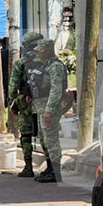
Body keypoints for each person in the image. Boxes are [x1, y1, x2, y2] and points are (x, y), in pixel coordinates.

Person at [29, 39, 68, 183]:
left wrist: (49, 110)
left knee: (51, 140)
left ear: (47, 50)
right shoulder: (45, 65)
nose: (38, 52)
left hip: (49, 108)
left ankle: (55, 171)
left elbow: (56, 90)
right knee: (44, 139)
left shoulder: (55, 66)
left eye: (40, 49)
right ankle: (50, 167)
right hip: (41, 107)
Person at [8, 32, 44, 177]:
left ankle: (28, 167)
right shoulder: (48, 61)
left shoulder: (21, 63)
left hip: (25, 105)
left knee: (26, 135)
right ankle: (51, 168)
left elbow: (13, 86)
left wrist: (13, 101)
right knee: (46, 136)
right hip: (44, 103)